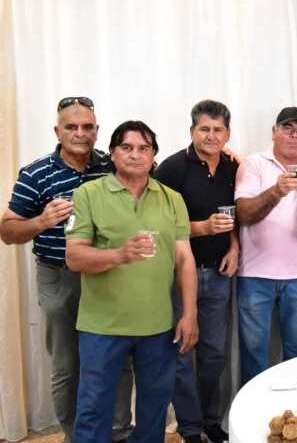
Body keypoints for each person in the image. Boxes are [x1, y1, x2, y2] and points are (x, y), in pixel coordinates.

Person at [0, 97, 132, 443]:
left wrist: (224, 155)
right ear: (57, 131)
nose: (79, 133)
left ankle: (119, 432)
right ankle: (77, 436)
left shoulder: (111, 165)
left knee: (117, 357)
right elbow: (7, 231)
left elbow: (150, 172)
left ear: (97, 131)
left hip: (106, 275)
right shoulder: (35, 173)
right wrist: (41, 221)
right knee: (67, 364)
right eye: (71, 127)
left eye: (87, 126)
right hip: (58, 276)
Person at [65, 120, 199, 443]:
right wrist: (120, 255)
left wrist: (190, 313)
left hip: (158, 325)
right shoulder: (87, 194)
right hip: (102, 326)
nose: (135, 154)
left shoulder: (172, 199)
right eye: (126, 147)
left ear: (153, 156)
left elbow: (184, 259)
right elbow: (74, 257)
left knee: (154, 409)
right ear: (112, 153)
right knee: (94, 409)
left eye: (144, 148)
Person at [154, 100, 238, 443]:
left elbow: (235, 217)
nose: (211, 136)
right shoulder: (171, 169)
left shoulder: (233, 166)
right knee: (182, 352)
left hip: (219, 274)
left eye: (218, 130)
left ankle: (210, 422)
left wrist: (234, 246)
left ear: (228, 134)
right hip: (177, 276)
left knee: (215, 353)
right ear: (192, 131)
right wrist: (202, 227)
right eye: (204, 129)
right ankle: (190, 429)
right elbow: (158, 226)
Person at [235, 107, 297, 384]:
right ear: (274, 132)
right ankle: (252, 410)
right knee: (254, 353)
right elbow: (243, 214)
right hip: (254, 275)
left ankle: (296, 407)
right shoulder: (254, 164)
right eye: (287, 129)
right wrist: (276, 191)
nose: (294, 136)